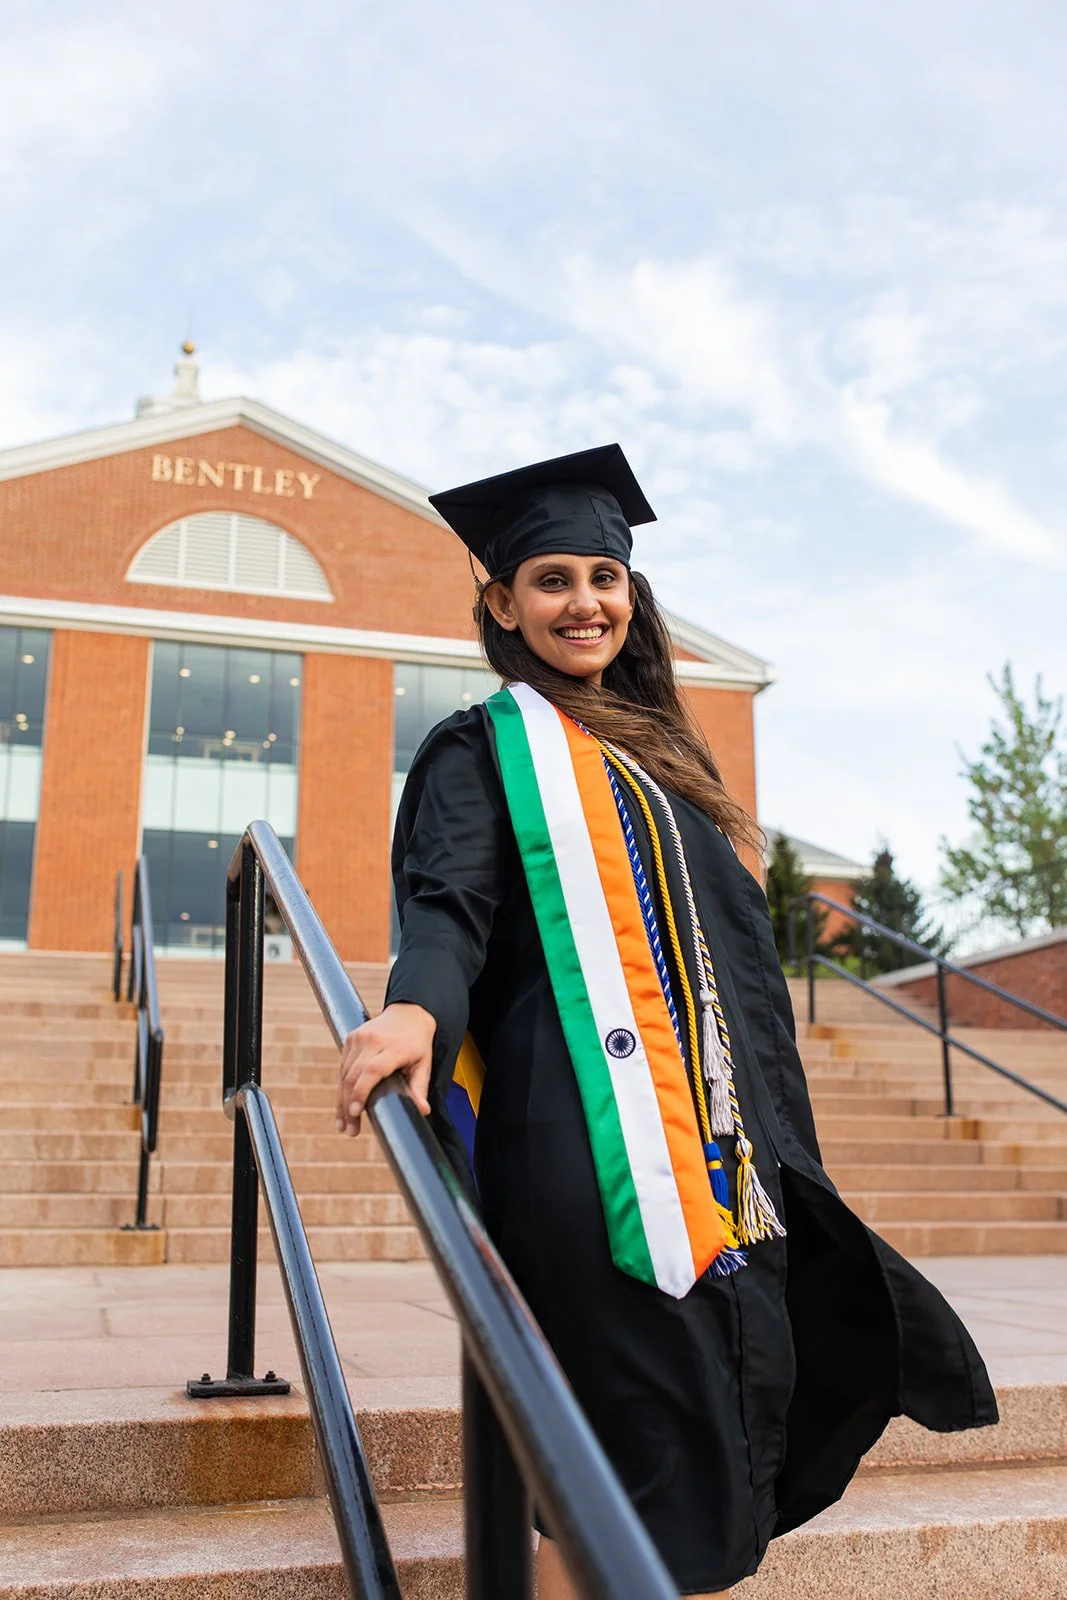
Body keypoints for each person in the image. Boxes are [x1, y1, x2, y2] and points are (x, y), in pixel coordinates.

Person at [335, 444, 996, 1599]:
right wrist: (411, 1006)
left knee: (668, 1466)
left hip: (716, 1156)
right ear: (499, 601)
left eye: (603, 575)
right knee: (628, 1468)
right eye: (550, 579)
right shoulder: (484, 748)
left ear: (631, 594)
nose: (582, 601)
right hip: (589, 1156)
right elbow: (449, 907)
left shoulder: (659, 756)